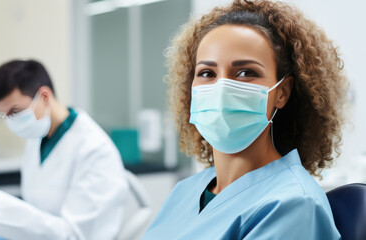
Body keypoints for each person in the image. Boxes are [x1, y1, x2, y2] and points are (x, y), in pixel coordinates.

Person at [143, 0, 348, 239]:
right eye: (207, 73)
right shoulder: (185, 191)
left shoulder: (293, 205)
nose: (221, 88)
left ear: (282, 92)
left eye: (245, 72)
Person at [0, 60, 128, 239]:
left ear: (45, 97)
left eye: (15, 112)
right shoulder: (38, 137)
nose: (11, 122)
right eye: (4, 115)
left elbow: (74, 236)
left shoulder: (95, 151)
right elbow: (37, 213)